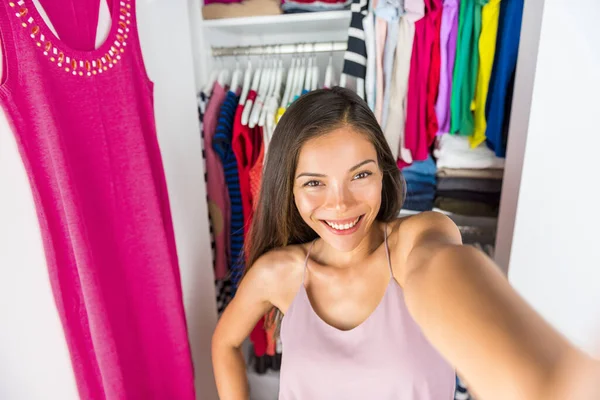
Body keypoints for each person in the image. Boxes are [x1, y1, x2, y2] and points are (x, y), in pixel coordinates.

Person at [211, 87, 600, 400]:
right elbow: (225, 343)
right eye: (314, 182)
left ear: (383, 173)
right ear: (289, 189)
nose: (340, 203)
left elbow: (442, 267)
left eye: (359, 175)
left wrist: (542, 381)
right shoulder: (279, 274)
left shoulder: (416, 240)